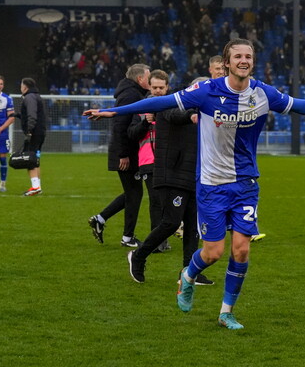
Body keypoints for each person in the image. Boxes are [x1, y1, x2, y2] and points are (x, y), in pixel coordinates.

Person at [86, 39, 305, 330]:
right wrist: (115, 112)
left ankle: (226, 312)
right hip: (212, 184)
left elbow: (301, 106)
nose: (244, 60)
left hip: (246, 182)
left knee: (242, 250)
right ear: (227, 62)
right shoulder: (207, 91)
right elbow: (162, 102)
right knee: (213, 253)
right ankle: (187, 276)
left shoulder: (262, 93)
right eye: (238, 56)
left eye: (248, 56)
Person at [128, 76, 213, 286]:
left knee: (193, 226)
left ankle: (189, 272)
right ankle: (138, 256)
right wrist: (193, 116)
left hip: (195, 175)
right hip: (171, 174)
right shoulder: (171, 104)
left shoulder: (205, 111)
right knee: (171, 222)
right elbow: (177, 115)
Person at [87, 63, 150, 248]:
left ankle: (100, 218)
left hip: (128, 151)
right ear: (140, 79)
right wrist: (123, 154)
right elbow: (121, 125)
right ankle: (127, 237)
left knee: (133, 192)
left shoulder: (131, 93)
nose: (150, 79)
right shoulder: (131, 94)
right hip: (125, 152)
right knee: (135, 193)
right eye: (148, 77)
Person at [127, 69, 170, 252]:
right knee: (155, 201)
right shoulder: (141, 107)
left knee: (168, 202)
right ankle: (157, 242)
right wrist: (145, 122)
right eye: (155, 87)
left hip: (169, 160)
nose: (158, 91)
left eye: (161, 87)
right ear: (149, 87)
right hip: (148, 161)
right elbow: (131, 133)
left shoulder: (171, 106)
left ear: (167, 88)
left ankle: (163, 239)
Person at [18, 77, 47, 196]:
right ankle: (38, 186)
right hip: (40, 132)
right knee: (35, 158)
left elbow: (32, 115)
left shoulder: (29, 97)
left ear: (25, 87)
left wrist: (29, 130)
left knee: (30, 159)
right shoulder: (36, 96)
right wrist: (18, 115)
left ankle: (35, 187)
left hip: (34, 132)